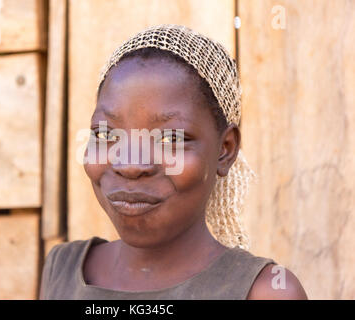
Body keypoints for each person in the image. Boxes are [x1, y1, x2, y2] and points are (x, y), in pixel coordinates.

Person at [40, 24, 307, 299]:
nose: (130, 165)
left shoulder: (266, 292)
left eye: (170, 138)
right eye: (106, 134)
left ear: (225, 150)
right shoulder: (62, 270)